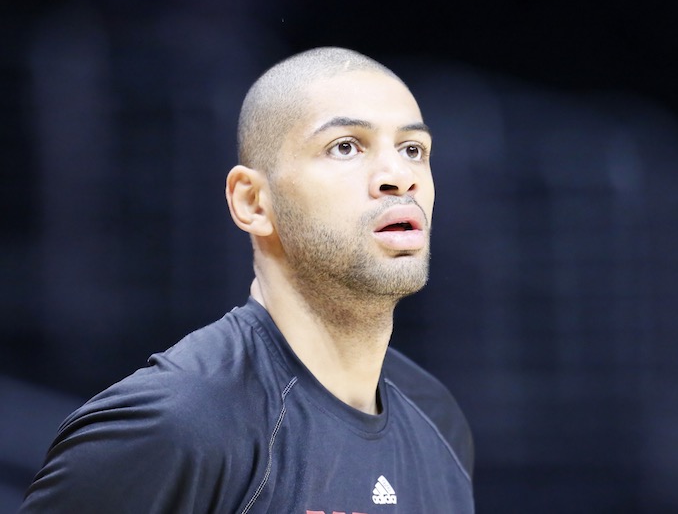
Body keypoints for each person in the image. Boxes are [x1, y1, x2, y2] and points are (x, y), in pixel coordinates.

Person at [19, 47, 474, 513]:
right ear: (252, 202)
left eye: (412, 149)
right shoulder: (173, 427)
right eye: (346, 146)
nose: (399, 177)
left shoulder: (437, 418)